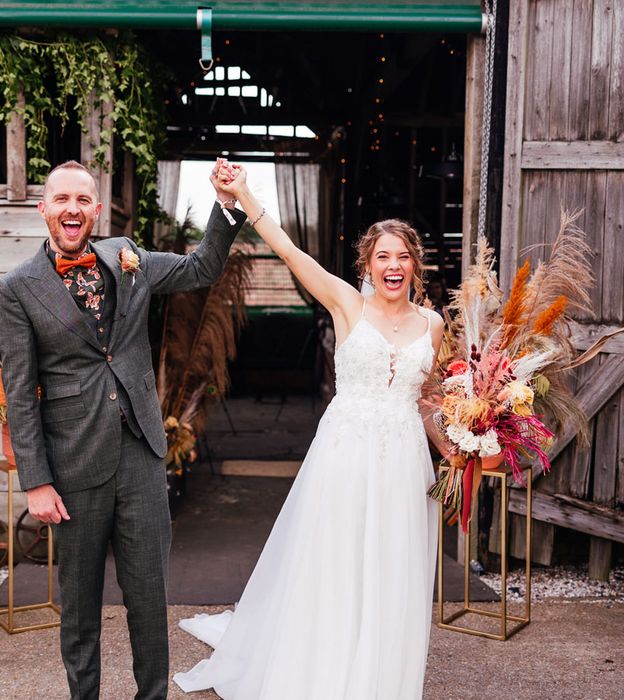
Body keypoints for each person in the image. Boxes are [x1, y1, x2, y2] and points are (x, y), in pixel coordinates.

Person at [174, 164, 451, 699]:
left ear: (415, 265)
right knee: (338, 563)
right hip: (346, 455)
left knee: (393, 569)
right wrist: (245, 196)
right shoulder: (347, 302)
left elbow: (425, 400)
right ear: (368, 264)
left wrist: (459, 445)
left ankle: (381, 678)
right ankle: (326, 670)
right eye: (383, 256)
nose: (393, 266)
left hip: (404, 462)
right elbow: (289, 251)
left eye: (403, 256)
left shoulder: (433, 325)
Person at [0, 159, 246, 700]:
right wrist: (36, 481)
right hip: (73, 464)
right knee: (80, 605)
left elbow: (201, 268)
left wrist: (226, 205)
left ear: (97, 209)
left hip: (141, 456)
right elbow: (19, 391)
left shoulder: (127, 255)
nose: (73, 209)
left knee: (149, 598)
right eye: (61, 199)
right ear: (44, 209)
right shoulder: (16, 289)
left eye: (83, 200)